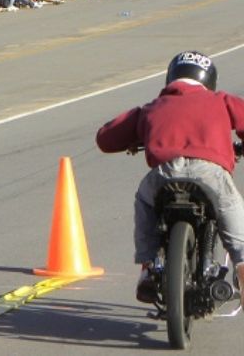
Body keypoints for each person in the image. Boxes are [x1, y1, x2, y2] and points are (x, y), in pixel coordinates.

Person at [96, 52, 244, 308]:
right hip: (210, 172)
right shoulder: (221, 100)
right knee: (231, 209)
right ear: (209, 81)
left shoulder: (153, 106)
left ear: (171, 77)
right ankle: (242, 262)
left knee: (144, 200)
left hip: (165, 173)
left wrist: (136, 136)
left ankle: (148, 266)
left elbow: (106, 139)